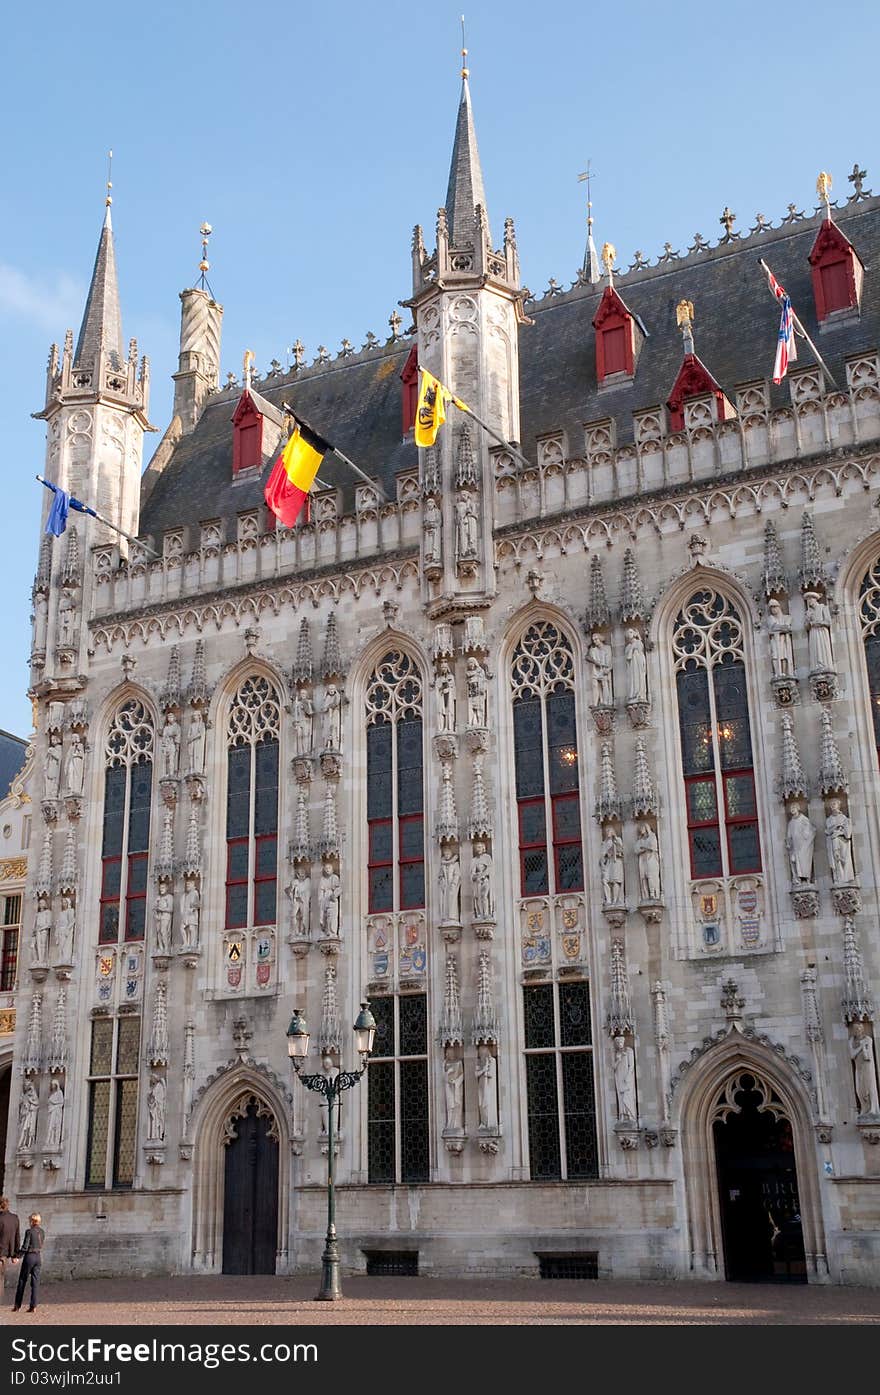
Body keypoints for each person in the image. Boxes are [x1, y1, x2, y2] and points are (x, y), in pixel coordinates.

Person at [13, 1212, 44, 1313]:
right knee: (35, 1283)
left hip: (29, 1257)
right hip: (38, 1257)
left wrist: (18, 1256)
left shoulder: (29, 1231)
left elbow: (25, 1246)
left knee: (22, 1281)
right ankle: (33, 1306)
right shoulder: (42, 1231)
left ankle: (17, 1305)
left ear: (32, 1221)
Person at [0, 1198, 20, 1294]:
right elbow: (17, 1237)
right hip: (7, 1252)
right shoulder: (14, 1218)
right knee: (1, 1277)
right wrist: (15, 1254)